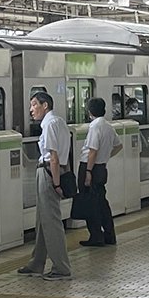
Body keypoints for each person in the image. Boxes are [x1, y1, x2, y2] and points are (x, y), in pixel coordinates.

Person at [20, 92, 73, 279]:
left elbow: (54, 157)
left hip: (48, 173)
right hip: (51, 172)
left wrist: (56, 182)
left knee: (51, 221)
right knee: (42, 220)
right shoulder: (58, 122)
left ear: (45, 105)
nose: (31, 109)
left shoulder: (50, 125)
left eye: (34, 105)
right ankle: (37, 263)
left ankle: (61, 267)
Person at [77, 97, 121, 248]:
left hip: (91, 167)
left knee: (91, 203)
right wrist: (106, 157)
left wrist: (88, 171)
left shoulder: (95, 126)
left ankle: (96, 236)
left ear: (89, 111)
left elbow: (92, 151)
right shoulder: (108, 126)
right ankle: (109, 234)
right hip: (102, 167)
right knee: (102, 202)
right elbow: (118, 145)